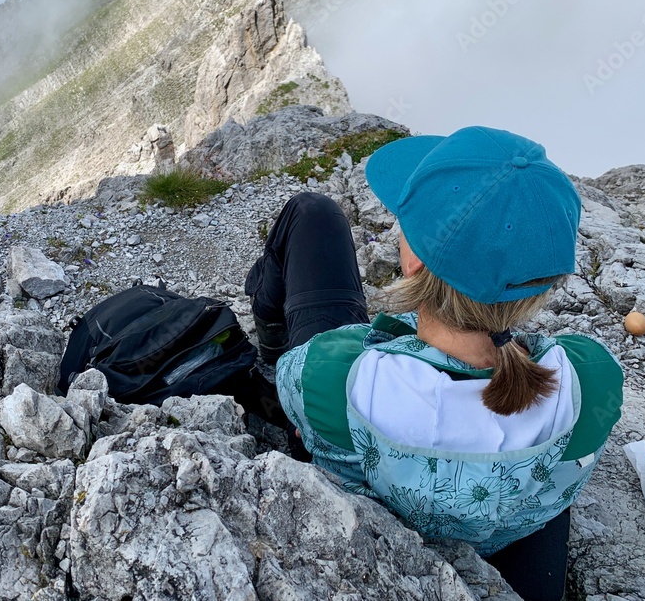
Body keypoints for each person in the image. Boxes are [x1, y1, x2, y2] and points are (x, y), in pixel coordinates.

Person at [243, 126, 624, 601]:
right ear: (544, 283)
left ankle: (265, 315)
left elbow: (300, 387)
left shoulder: (331, 376)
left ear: (415, 262)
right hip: (512, 542)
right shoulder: (591, 380)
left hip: (373, 527)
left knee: (313, 214)